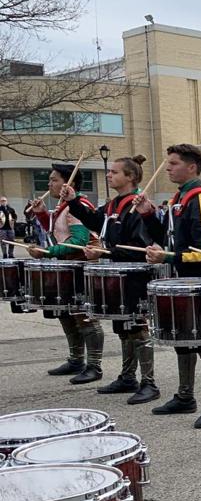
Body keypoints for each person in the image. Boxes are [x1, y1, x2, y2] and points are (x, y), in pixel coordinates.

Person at [143, 144, 201, 428]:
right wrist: (146, 216)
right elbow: (169, 239)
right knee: (183, 339)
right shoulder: (178, 198)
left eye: (174, 163)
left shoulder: (200, 199)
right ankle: (185, 396)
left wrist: (167, 256)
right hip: (182, 278)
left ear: (192, 167)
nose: (168, 168)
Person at [68, 154, 161, 403]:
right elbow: (96, 222)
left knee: (138, 327)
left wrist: (105, 251)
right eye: (109, 172)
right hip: (119, 274)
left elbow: (138, 247)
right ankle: (128, 376)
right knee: (123, 327)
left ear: (130, 177)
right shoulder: (113, 205)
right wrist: (73, 202)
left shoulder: (135, 206)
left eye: (114, 172)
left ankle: (149, 383)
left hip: (136, 276)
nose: (109, 175)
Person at [26, 164, 106, 382]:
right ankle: (76, 359)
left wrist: (46, 252)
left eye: (53, 180)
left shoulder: (77, 206)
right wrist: (42, 213)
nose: (49, 184)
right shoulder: (64, 206)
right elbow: (59, 231)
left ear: (67, 184)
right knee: (67, 313)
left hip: (81, 266)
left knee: (84, 316)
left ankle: (94, 366)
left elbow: (78, 242)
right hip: (69, 266)